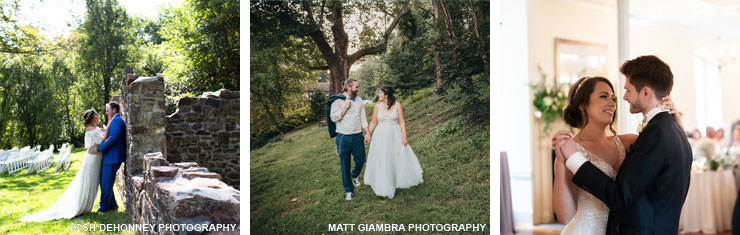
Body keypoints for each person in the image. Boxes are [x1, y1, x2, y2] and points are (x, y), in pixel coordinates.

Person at [554, 55, 692, 234]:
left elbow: (620, 197)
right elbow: (565, 216)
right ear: (583, 105)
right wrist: (561, 162)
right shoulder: (665, 131)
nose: (616, 102)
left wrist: (574, 158)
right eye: (604, 96)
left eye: (623, 92)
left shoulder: (634, 141)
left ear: (645, 93)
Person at [20, 109, 106, 221]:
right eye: (95, 115)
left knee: (93, 182)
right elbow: (101, 141)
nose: (98, 116)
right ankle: (82, 206)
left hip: (97, 157)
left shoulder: (97, 128)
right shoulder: (90, 129)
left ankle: (87, 205)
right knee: (88, 182)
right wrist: (107, 130)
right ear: (91, 118)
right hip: (92, 158)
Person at [363, 86, 423, 199]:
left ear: (386, 95)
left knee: (395, 156)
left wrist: (405, 137)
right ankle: (383, 179)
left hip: (395, 135)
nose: (379, 95)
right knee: (382, 157)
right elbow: (373, 122)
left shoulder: (397, 105)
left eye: (380, 93)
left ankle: (396, 178)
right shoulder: (377, 106)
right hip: (380, 135)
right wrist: (368, 133)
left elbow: (401, 122)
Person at [329, 79, 371, 200]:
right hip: (343, 137)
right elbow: (333, 118)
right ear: (348, 87)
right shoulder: (337, 100)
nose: (358, 89)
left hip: (358, 136)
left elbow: (363, 119)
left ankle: (354, 174)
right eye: (356, 87)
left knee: (361, 159)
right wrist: (346, 107)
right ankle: (348, 190)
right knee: (344, 164)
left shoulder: (359, 100)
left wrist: (367, 133)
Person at [87, 102, 126, 212]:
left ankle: (103, 207)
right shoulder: (114, 120)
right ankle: (112, 204)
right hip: (109, 156)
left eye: (108, 110)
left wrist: (98, 149)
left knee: (105, 183)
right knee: (104, 181)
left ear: (114, 110)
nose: (106, 112)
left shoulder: (117, 120)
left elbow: (113, 138)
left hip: (113, 156)